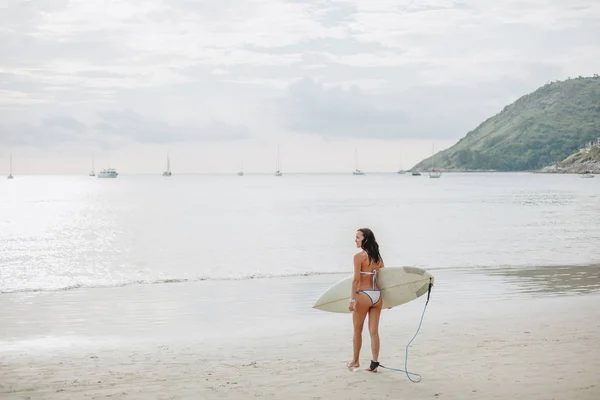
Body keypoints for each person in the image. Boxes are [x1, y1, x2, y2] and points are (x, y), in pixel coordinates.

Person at [346, 228, 385, 372]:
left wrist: (352, 300)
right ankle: (374, 364)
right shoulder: (378, 257)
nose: (355, 240)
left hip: (363, 295)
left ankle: (355, 361)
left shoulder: (359, 257)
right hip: (377, 296)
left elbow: (356, 280)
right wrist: (390, 300)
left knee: (357, 330)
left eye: (357, 237)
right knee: (374, 331)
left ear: (365, 239)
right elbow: (384, 278)